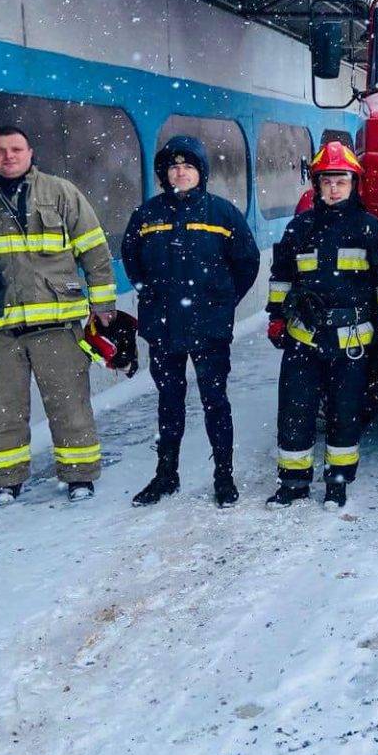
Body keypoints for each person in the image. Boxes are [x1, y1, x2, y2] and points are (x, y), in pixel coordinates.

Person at [0, 124, 117, 505]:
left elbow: (94, 252)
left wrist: (103, 306)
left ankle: (79, 476)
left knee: (70, 407)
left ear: (30, 152)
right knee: (0, 413)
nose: (8, 156)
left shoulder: (61, 193)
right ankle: (5, 481)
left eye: (16, 148)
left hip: (57, 327)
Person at [121, 136, 260, 508]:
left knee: (216, 402)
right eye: (173, 167)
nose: (180, 173)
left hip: (209, 329)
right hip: (163, 327)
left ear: (201, 172)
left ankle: (224, 476)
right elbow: (131, 259)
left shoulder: (223, 215)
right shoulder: (147, 216)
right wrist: (149, 293)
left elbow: (247, 264)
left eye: (188, 166)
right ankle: (166, 475)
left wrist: (222, 302)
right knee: (169, 402)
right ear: (164, 174)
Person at [265, 141, 378, 510]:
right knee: (295, 411)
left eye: (340, 181)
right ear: (316, 184)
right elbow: (282, 277)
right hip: (304, 338)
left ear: (353, 184)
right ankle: (293, 484)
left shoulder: (371, 229)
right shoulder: (299, 229)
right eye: (327, 181)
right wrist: (277, 316)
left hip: (351, 341)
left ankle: (337, 484)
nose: (333, 188)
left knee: (345, 414)